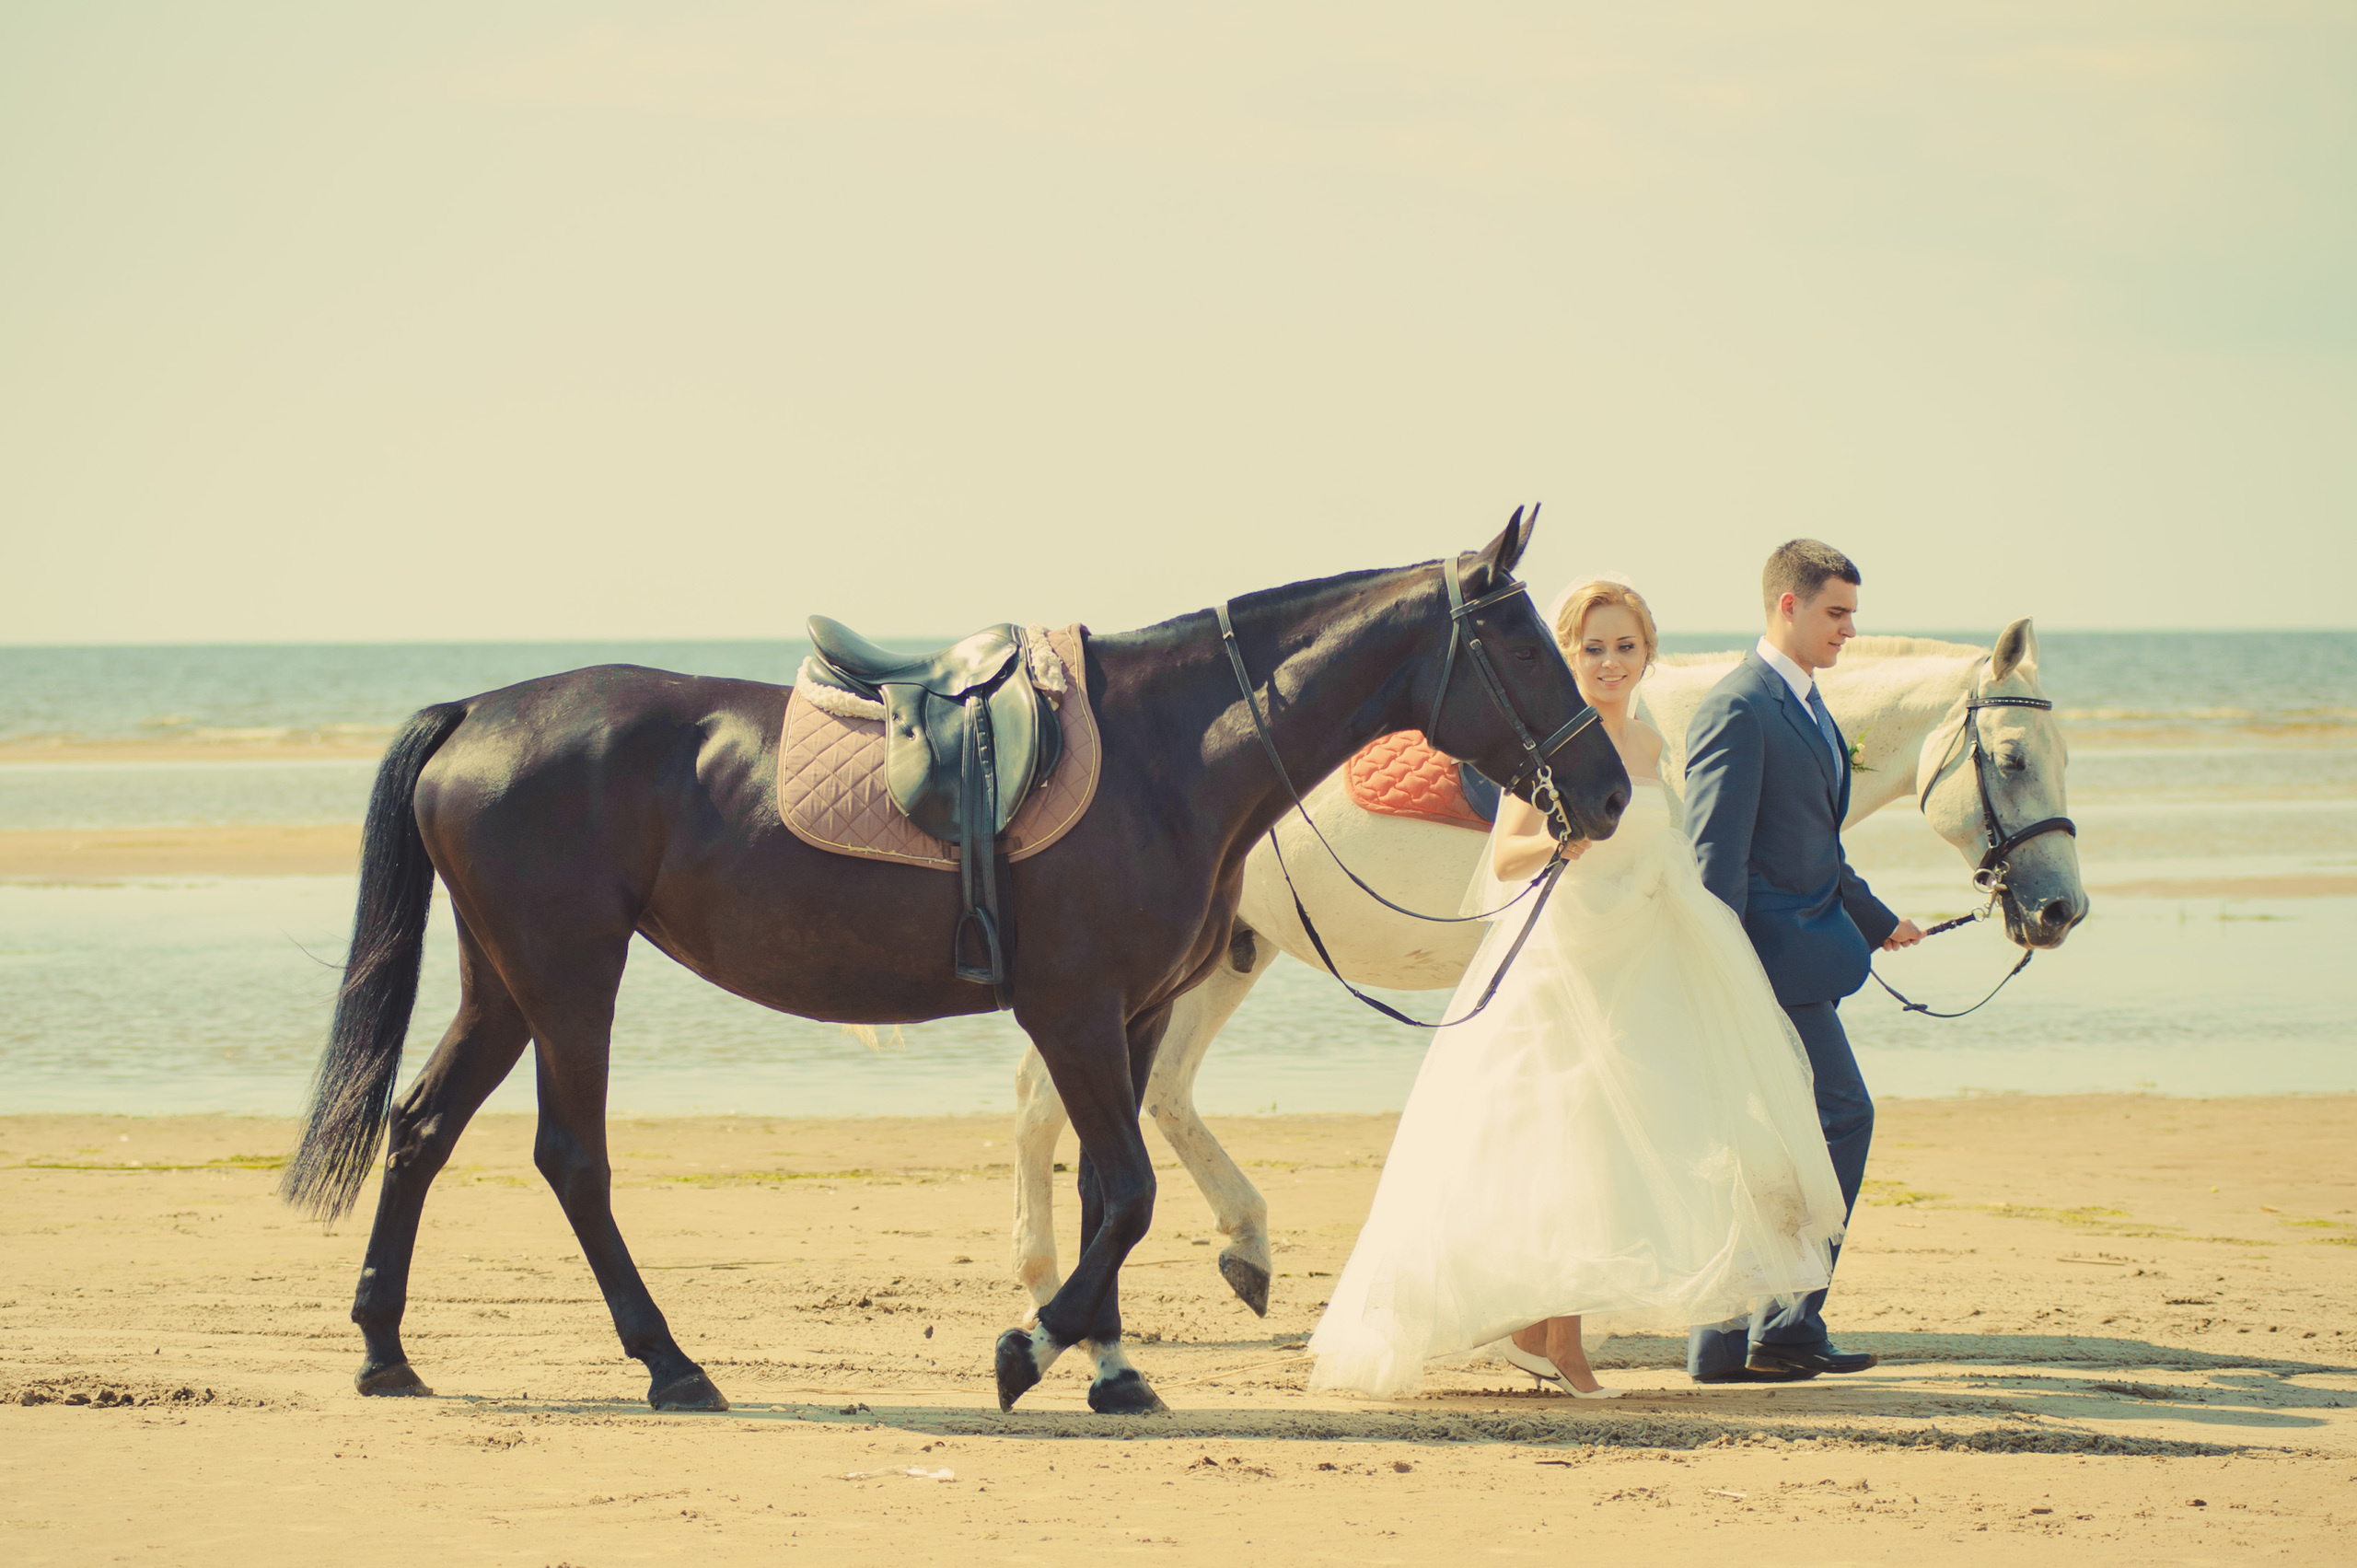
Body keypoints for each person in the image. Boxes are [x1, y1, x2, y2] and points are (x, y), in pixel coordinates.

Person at [1306, 579, 1851, 1399]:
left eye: (1625, 646)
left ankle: (1539, 1333)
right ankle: (1559, 1344)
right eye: (1593, 646)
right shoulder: (1549, 741)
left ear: (1647, 654)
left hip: (1643, 954)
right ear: (1568, 654)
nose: (1610, 661)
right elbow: (1505, 859)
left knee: (1626, 1148)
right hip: (1569, 962)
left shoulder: (1650, 743)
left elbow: (1664, 846)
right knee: (1565, 1141)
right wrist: (1564, 838)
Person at [1682, 540, 1922, 1385]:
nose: (1851, 628)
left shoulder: (1812, 707)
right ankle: (1781, 1326)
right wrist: (1727, 983)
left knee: (1780, 1149)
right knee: (1843, 1117)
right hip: (1764, 975)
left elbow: (1813, 844)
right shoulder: (1738, 710)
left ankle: (1739, 1341)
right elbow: (1714, 861)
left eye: (1852, 612)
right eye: (1837, 611)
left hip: (1809, 959)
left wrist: (1876, 917)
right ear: (1788, 604)